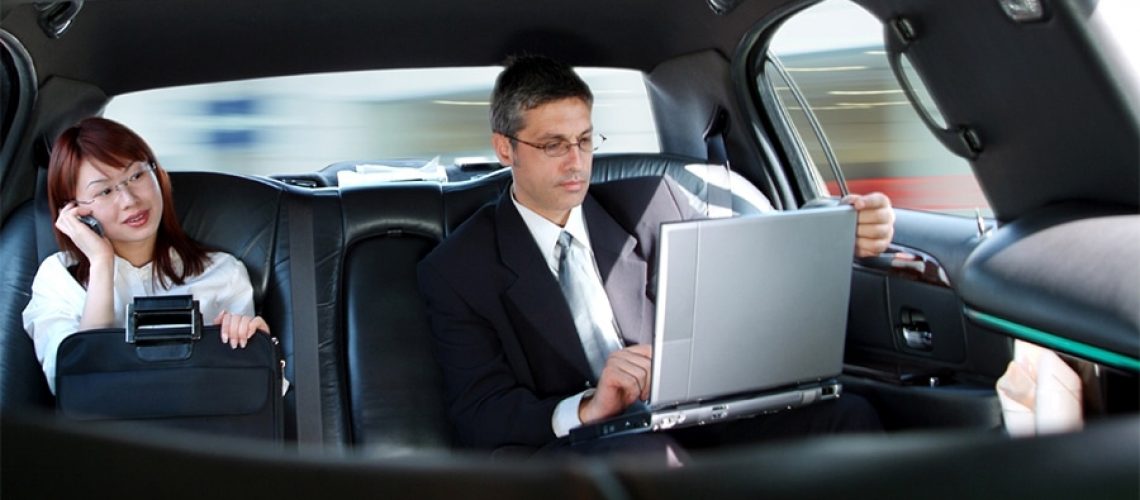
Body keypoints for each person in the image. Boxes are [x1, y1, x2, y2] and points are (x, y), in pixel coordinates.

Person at [417, 55, 895, 456]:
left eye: (585, 140)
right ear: (505, 149)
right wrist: (589, 406)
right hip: (581, 451)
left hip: (693, 423)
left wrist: (830, 223)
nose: (576, 162)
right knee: (648, 457)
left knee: (848, 416)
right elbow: (481, 416)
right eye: (553, 145)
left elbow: (743, 275)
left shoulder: (654, 204)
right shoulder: (459, 270)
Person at [23, 117, 269, 394]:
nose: (129, 200)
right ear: (74, 210)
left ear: (157, 173)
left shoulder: (224, 273)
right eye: (104, 191)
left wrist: (254, 350)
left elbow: (243, 395)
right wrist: (102, 264)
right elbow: (76, 384)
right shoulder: (58, 279)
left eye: (136, 176)